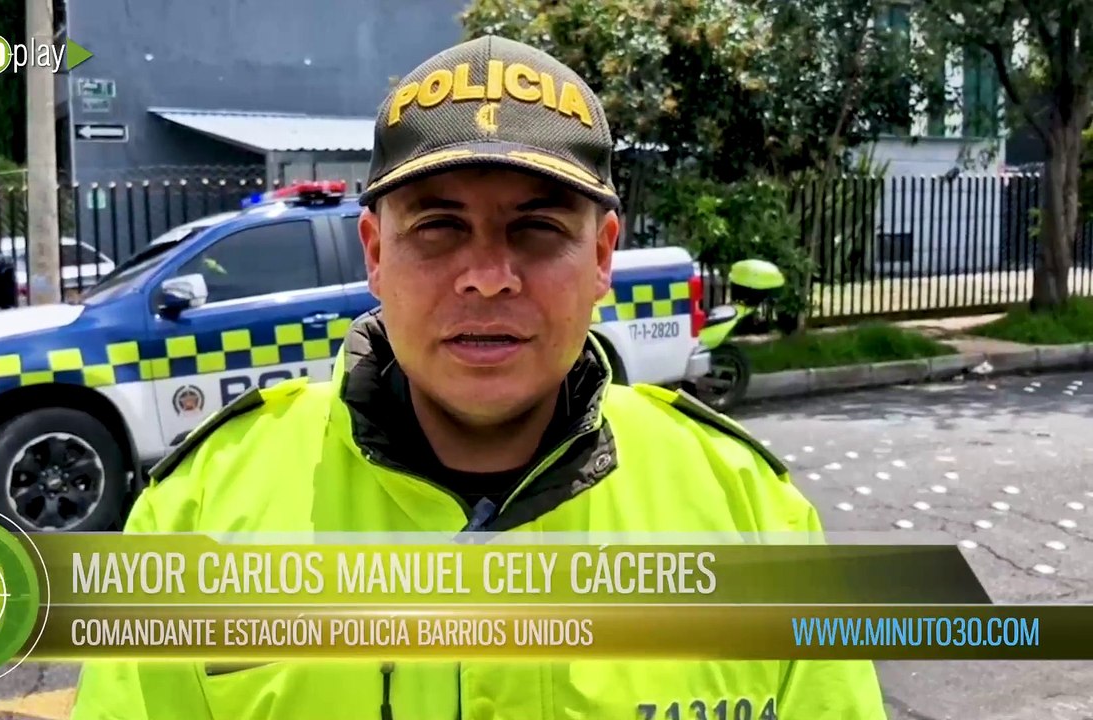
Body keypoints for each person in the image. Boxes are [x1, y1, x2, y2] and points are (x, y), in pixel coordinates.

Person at [70, 36, 886, 720]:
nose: (489, 277)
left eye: (536, 228)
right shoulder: (198, 516)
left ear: (602, 255)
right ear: (377, 253)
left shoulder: (749, 511)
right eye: (438, 227)